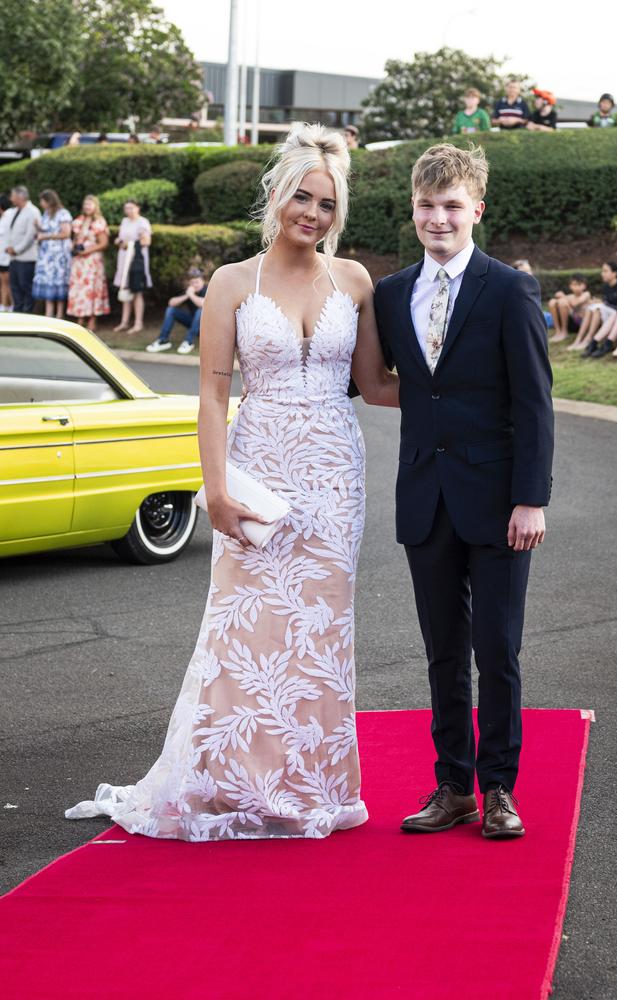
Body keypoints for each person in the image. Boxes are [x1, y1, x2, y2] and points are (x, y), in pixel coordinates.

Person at [65, 122, 399, 841]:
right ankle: (229, 783)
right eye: (301, 198)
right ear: (277, 194)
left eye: (327, 205)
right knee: (245, 628)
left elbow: (374, 384)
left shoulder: (356, 281)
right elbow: (213, 395)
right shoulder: (230, 283)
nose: (312, 214)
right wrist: (213, 488)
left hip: (336, 476)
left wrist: (467, 385)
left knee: (319, 633)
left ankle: (310, 786)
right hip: (259, 470)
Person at [374, 143, 554, 839]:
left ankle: (500, 787)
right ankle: (452, 787)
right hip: (425, 494)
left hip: (500, 500)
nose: (438, 218)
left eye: (452, 206)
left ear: (477, 208)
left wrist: (531, 497)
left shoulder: (509, 289)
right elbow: (382, 379)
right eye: (427, 206)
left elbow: (535, 402)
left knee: (497, 649)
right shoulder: (391, 296)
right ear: (412, 211)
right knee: (442, 650)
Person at [67, 195, 111, 333]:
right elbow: (75, 238)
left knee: (92, 288)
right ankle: (80, 316)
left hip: (92, 260)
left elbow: (104, 243)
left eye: (90, 204)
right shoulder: (79, 220)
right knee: (79, 288)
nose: (87, 207)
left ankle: (92, 318)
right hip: (79, 261)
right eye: (86, 204)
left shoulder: (99, 222)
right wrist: (74, 248)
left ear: (95, 206)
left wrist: (87, 250)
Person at [146, 267, 208, 354]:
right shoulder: (190, 291)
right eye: (192, 282)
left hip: (208, 327)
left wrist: (191, 295)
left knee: (200, 311)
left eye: (197, 282)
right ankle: (163, 340)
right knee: (171, 310)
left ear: (203, 281)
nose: (195, 284)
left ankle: (188, 342)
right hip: (195, 324)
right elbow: (171, 303)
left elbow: (203, 304)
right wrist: (187, 295)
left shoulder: (208, 289)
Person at [113, 198, 152, 333]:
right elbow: (121, 238)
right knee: (125, 289)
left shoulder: (142, 222)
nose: (128, 211)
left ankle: (138, 323)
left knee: (137, 292)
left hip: (136, 260)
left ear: (137, 208)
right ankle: (124, 322)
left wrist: (130, 243)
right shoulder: (124, 221)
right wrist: (120, 242)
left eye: (131, 208)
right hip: (124, 259)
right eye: (126, 208)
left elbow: (146, 241)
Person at [569, 262, 617, 351]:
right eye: (602, 271)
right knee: (590, 308)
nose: (602, 274)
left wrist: (603, 304)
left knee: (597, 309)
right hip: (607, 311)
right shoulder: (605, 286)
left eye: (605, 271)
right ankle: (578, 339)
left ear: (615, 273)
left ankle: (588, 339)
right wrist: (599, 302)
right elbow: (606, 301)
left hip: (616, 315)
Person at [32, 189, 72, 319]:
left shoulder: (63, 214)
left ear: (49, 201)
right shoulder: (46, 213)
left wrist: (45, 236)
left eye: (42, 201)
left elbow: (66, 234)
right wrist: (38, 228)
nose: (41, 203)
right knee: (48, 284)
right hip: (46, 256)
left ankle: (60, 314)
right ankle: (49, 314)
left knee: (58, 283)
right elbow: (47, 229)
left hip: (58, 256)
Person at [5, 185, 41, 313]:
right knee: (15, 288)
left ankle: (28, 314)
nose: (11, 198)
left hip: (26, 258)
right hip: (14, 258)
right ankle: (18, 313)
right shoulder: (15, 211)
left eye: (13, 196)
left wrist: (16, 249)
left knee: (26, 287)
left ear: (20, 196)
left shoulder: (33, 211)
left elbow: (30, 235)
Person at [547, 274, 591, 342]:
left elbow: (575, 303)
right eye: (574, 284)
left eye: (579, 284)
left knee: (562, 302)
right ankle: (558, 331)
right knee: (552, 302)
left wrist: (563, 296)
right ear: (570, 286)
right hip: (570, 322)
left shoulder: (586, 294)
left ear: (584, 286)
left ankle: (564, 332)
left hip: (580, 324)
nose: (576, 287)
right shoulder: (570, 296)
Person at [513, 259, 553, 328]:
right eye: (525, 271)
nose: (529, 274)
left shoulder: (532, 285)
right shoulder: (515, 287)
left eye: (530, 270)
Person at [0, 193, 14, 311]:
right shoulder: (3, 217)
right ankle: (4, 305)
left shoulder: (10, 215)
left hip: (8, 257)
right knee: (3, 281)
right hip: (1, 257)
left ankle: (11, 306)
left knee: (9, 282)